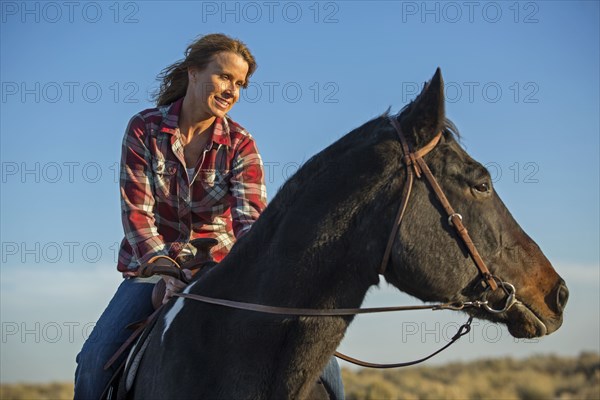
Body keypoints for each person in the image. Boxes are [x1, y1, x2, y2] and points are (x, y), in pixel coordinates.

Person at [74, 33, 344, 399]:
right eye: (224, 77)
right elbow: (137, 213)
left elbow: (250, 223)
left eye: (239, 83)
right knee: (93, 362)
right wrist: (165, 271)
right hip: (150, 270)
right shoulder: (145, 129)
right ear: (193, 73)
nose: (232, 89)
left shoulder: (240, 143)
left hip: (221, 268)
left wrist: (267, 273)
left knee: (316, 352)